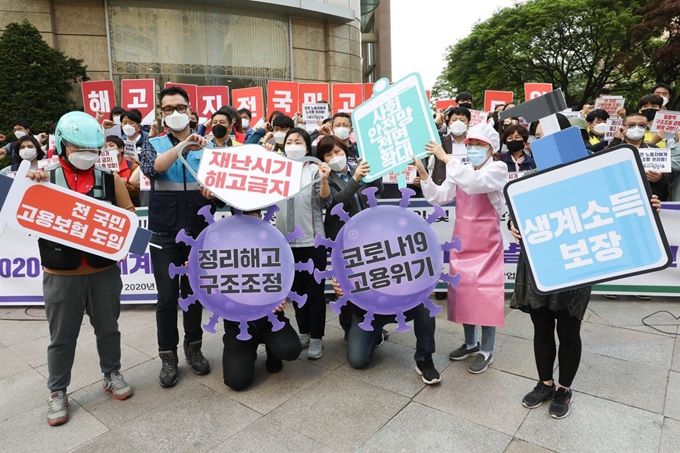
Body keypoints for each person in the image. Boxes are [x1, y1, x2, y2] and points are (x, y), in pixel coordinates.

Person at [509, 150, 664, 418]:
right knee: (541, 327)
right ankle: (545, 384)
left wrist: (645, 206)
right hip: (539, 264)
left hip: (576, 264)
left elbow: (622, 208)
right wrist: (513, 223)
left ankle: (564, 389)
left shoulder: (594, 179)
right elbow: (515, 212)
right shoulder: (532, 177)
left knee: (569, 331)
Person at [25, 111, 135, 426]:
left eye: (93, 149)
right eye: (78, 148)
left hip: (103, 273)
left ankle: (111, 372)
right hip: (61, 275)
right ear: (62, 145)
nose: (87, 155)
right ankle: (57, 391)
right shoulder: (44, 176)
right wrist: (29, 183)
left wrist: (123, 243)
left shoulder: (109, 179)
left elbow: (128, 215)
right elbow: (21, 209)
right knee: (62, 336)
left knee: (109, 328)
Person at [140, 86, 219, 388]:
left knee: (193, 295)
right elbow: (153, 170)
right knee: (167, 298)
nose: (175, 113)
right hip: (164, 233)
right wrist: (183, 145)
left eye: (180, 107)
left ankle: (194, 349)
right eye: (168, 108)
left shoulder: (209, 147)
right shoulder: (153, 144)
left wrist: (214, 195)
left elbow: (221, 193)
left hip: (199, 232)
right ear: (161, 114)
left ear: (190, 110)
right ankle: (168, 357)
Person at [413, 123, 507, 374]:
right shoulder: (462, 169)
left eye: (479, 145)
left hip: (487, 244)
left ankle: (487, 350)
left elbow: (476, 183)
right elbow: (440, 196)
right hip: (463, 241)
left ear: (491, 147)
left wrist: (446, 159)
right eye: (471, 144)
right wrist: (424, 174)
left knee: (485, 294)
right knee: (464, 292)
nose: (474, 148)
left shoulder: (498, 168)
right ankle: (470, 343)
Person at [222, 209, 303, 390]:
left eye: (255, 219)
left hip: (270, 320)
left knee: (290, 349)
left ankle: (273, 353)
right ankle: (246, 352)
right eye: (246, 220)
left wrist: (280, 299)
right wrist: (196, 270)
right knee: (236, 382)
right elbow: (211, 286)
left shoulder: (273, 247)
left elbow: (283, 280)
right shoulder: (222, 251)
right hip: (238, 324)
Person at [274, 128, 332, 359]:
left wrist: (325, 180)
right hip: (285, 243)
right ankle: (304, 332)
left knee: (315, 293)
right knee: (297, 292)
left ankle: (317, 337)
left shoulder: (315, 170)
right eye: (289, 141)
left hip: (313, 241)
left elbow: (325, 201)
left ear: (307, 148)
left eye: (298, 141)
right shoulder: (276, 169)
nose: (293, 144)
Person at [331, 279, 441, 384]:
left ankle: (424, 358)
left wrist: (432, 270)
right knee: (357, 360)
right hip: (368, 311)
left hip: (402, 302)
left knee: (425, 303)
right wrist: (340, 290)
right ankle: (372, 334)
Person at [319, 135, 384, 241]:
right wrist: (355, 179)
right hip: (342, 233)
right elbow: (337, 202)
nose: (334, 157)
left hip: (368, 228)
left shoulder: (358, 169)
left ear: (344, 150)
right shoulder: (325, 178)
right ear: (323, 160)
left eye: (337, 151)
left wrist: (372, 173)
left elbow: (379, 189)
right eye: (328, 155)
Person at [607, 113, 670, 201]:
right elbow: (600, 162)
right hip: (619, 197)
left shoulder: (654, 149)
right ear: (622, 127)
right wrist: (616, 139)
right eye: (631, 125)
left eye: (641, 125)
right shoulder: (615, 147)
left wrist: (660, 178)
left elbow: (668, 174)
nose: (637, 128)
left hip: (650, 198)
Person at [430, 107, 471, 185]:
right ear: (448, 124)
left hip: (468, 185)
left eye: (462, 120)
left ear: (468, 124)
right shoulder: (440, 143)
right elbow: (423, 139)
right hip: (444, 186)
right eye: (454, 120)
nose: (458, 123)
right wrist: (436, 122)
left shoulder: (474, 144)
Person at [105, 135, 141, 205]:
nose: (108, 149)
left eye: (111, 145)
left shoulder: (132, 166)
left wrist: (118, 183)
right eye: (105, 147)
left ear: (121, 148)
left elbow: (136, 192)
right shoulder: (99, 166)